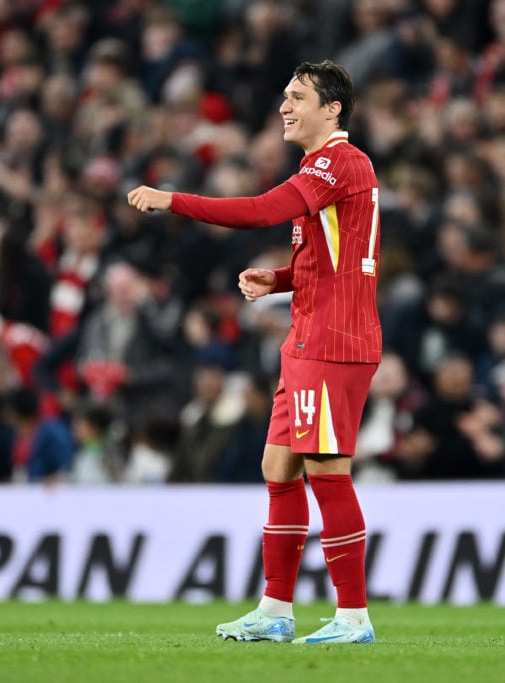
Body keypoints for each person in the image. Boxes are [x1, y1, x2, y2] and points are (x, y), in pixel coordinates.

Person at [127, 60, 380, 645]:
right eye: (283, 97)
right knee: (278, 468)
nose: (285, 107)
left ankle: (353, 617)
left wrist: (175, 200)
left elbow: (263, 210)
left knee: (327, 472)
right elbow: (339, 261)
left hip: (334, 342)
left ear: (332, 108)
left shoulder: (339, 161)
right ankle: (275, 609)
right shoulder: (324, 168)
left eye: (297, 97)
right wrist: (281, 278)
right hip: (307, 337)